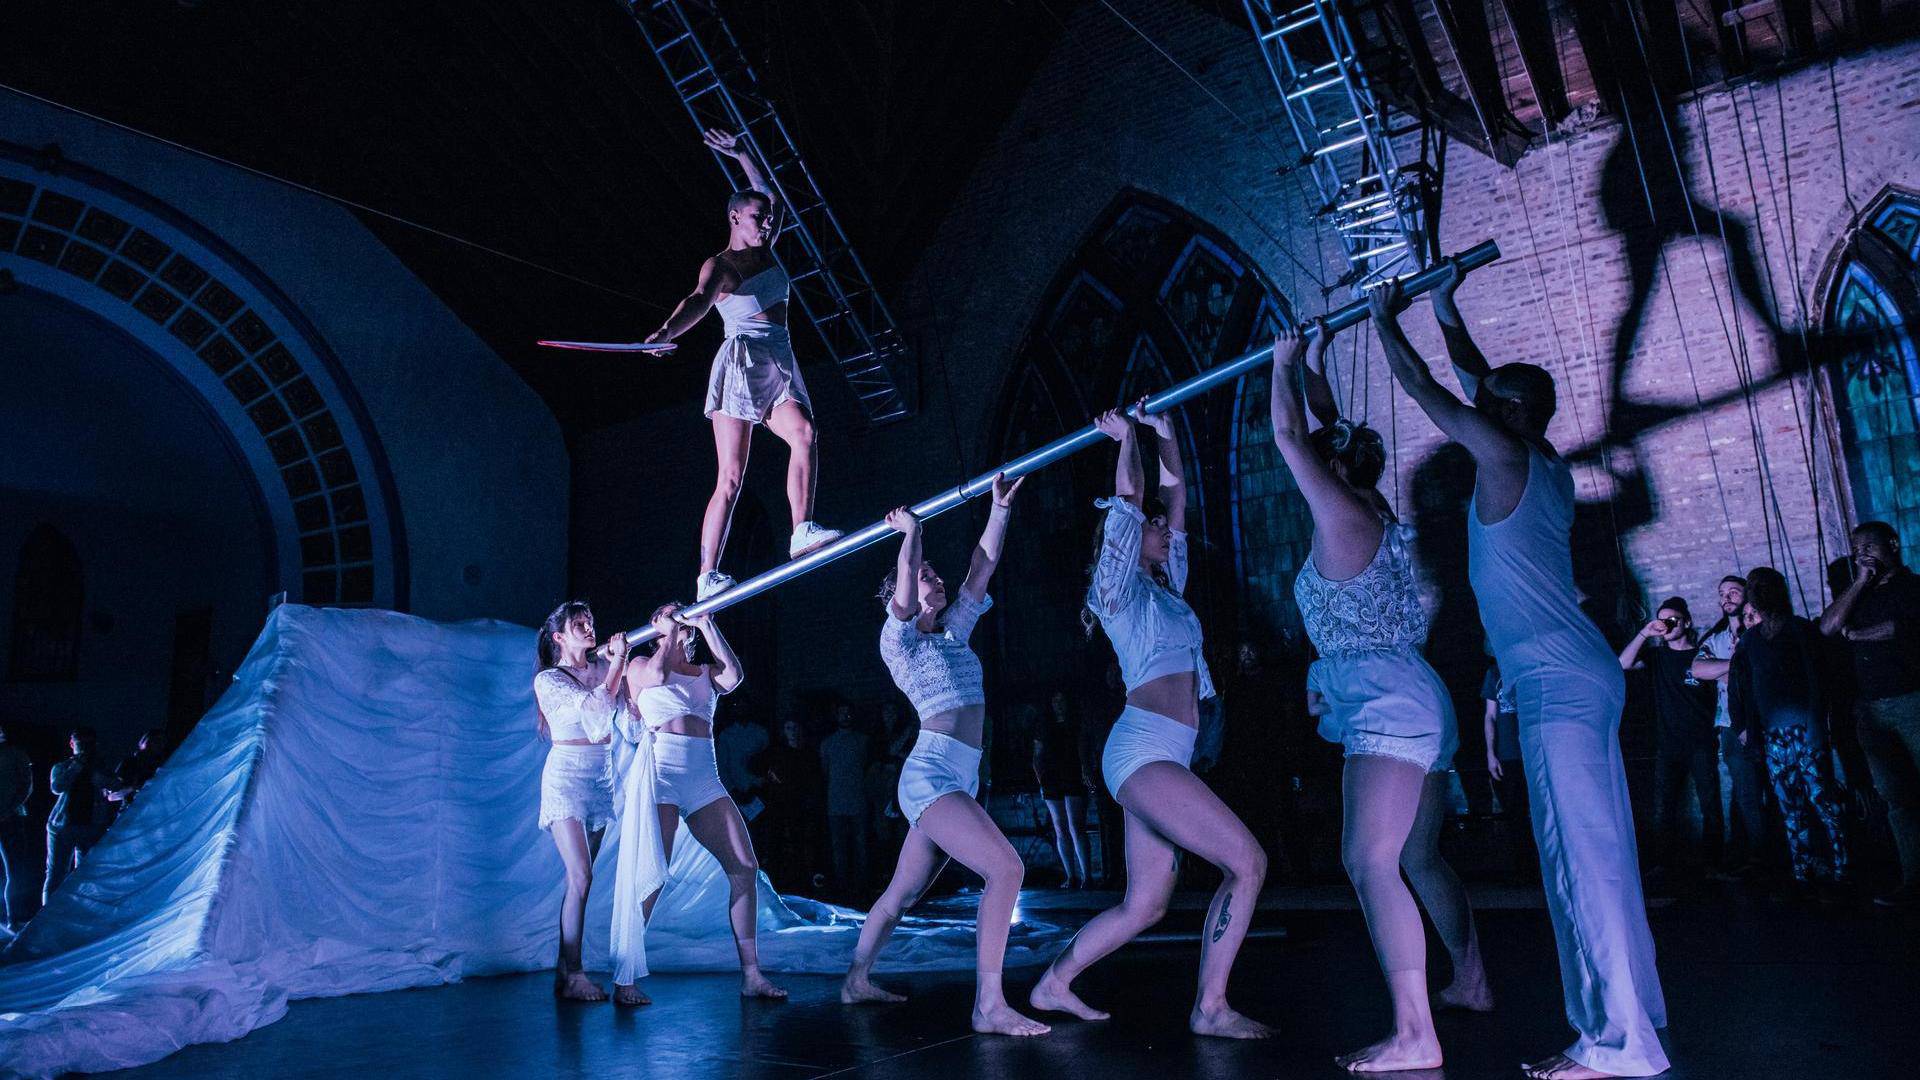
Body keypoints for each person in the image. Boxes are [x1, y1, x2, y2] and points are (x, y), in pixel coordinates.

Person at [1374, 264, 1667, 1079]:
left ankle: (1618, 1046)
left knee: (1579, 860)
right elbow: (1475, 378)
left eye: (1491, 400)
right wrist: (1444, 306)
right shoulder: (1540, 460)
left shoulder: (1505, 454)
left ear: (1508, 412)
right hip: (1578, 671)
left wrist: (1383, 318)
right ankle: (1631, 1022)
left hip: (1556, 680)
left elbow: (1428, 387)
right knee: (1599, 853)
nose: (1479, 402)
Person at [1273, 323, 1488, 1071]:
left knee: (1369, 861)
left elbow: (1291, 438)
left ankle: (1415, 1032)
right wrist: (1316, 364)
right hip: (1416, 692)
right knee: (1418, 856)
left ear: (1333, 469)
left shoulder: (1344, 515)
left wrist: (1281, 363)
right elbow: (1326, 432)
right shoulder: (1375, 514)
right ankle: (1471, 980)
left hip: (1385, 702)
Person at [1029, 404, 1271, 1040]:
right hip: (1142, 754)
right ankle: (1210, 1007)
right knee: (1246, 863)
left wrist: (1162, 432)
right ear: (1128, 537)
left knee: (1145, 905)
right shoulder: (1118, 590)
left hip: (1165, 753)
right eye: (1153, 527)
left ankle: (1053, 983)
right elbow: (1133, 498)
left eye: (1163, 528)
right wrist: (1125, 439)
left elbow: (1175, 494)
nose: (1164, 530)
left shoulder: (1169, 587)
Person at [839, 476, 1050, 1037]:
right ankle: (989, 1005)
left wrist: (999, 510)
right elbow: (906, 587)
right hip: (931, 775)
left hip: (959, 776)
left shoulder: (953, 633)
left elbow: (981, 568)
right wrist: (911, 535)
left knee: (901, 894)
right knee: (1006, 868)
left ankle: (856, 979)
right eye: (926, 573)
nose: (936, 578)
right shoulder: (898, 641)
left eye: (935, 573)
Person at [641, 128, 841, 599]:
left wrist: (743, 154)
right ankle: (707, 575)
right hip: (743, 361)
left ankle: (801, 531)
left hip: (779, 358)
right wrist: (667, 331)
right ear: (734, 217)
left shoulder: (766, 250)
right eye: (757, 218)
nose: (767, 224)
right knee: (731, 476)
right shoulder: (722, 266)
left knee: (804, 434)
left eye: (768, 220)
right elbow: (697, 301)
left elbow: (772, 195)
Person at [611, 605, 786, 1005]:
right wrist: (670, 632)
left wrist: (706, 622)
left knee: (745, 867)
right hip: (662, 775)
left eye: (683, 616)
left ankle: (751, 974)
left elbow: (733, 677)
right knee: (652, 874)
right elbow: (657, 676)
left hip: (703, 778)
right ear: (657, 626)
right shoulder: (639, 665)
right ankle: (625, 978)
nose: (679, 620)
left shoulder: (704, 671)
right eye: (670, 616)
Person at [1819, 522, 1920, 907]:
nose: (1861, 554)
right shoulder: (1858, 593)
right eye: (1856, 548)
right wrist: (1859, 582)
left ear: (1892, 544)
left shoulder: (1912, 587)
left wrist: (1858, 635)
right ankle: (1913, 881)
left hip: (1912, 700)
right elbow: (1828, 627)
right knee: (1897, 800)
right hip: (1872, 710)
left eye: (1868, 546)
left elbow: (1901, 628)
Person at [532, 601, 625, 1003]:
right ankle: (575, 974)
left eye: (590, 622)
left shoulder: (602, 668)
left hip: (599, 778)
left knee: (584, 884)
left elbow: (625, 709)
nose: (589, 628)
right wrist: (617, 664)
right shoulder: (550, 680)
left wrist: (618, 663)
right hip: (566, 778)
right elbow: (595, 708)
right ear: (559, 637)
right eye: (579, 625)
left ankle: (564, 970)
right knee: (580, 877)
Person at [1732, 569, 1848, 887]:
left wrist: (1816, 727)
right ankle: (1804, 869)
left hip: (1804, 730)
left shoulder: (1800, 630)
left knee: (1823, 801)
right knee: (1789, 806)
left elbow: (1817, 681)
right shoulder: (1750, 641)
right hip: (1774, 736)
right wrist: (1753, 735)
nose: (1759, 593)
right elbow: (1748, 691)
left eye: (1764, 587)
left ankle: (1842, 866)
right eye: (1754, 587)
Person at [1619, 598, 1723, 876]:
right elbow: (1623, 664)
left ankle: (1714, 864)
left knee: (1710, 804)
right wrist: (1645, 632)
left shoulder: (1703, 656)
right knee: (1664, 806)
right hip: (1668, 744)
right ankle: (1664, 864)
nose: (1667, 624)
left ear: (1687, 622)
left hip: (1701, 742)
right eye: (1662, 619)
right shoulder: (1656, 657)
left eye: (1672, 619)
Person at [1690, 576, 1767, 874]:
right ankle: (1759, 858)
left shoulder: (1762, 630)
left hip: (1767, 720)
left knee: (1774, 790)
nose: (1727, 597)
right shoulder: (1716, 639)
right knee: (1746, 791)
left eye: (1734, 591)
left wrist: (1724, 672)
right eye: (1722, 593)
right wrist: (1736, 667)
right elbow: (1699, 669)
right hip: (1730, 725)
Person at [43, 727, 112, 907]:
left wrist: (99, 776)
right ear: (72, 744)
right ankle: (46, 917)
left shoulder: (100, 766)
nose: (85, 748)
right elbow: (57, 787)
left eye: (89, 744)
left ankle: (77, 913)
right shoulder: (62, 766)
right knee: (56, 873)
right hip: (62, 827)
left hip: (91, 825)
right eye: (81, 744)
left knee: (85, 873)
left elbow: (115, 785)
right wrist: (77, 766)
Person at [1033, 690, 1093, 889]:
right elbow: (1037, 755)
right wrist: (1041, 780)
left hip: (1073, 774)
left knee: (1076, 826)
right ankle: (1071, 876)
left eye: (1062, 700)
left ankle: (1087, 876)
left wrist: (1086, 771)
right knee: (1060, 827)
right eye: (1055, 701)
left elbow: (1084, 748)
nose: (1058, 705)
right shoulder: (1045, 726)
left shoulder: (1076, 724)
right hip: (1052, 777)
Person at [1482, 660, 1535, 879]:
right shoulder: (1495, 672)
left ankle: (1540, 868)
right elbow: (1490, 715)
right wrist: (1490, 753)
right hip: (1509, 753)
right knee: (1515, 812)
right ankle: (1524, 869)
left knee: (1538, 810)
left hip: (1534, 749)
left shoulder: (1528, 663)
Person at [758, 717, 823, 891]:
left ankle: (799, 883)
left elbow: (814, 779)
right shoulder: (777, 751)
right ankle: (775, 884)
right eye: (788, 728)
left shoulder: (808, 753)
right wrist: (769, 774)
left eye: (795, 727)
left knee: (798, 843)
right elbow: (755, 764)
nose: (792, 731)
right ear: (783, 731)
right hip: (778, 805)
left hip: (799, 806)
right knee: (775, 843)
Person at [819, 702, 871, 896]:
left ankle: (862, 887)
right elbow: (825, 771)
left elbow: (867, 767)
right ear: (836, 715)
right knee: (839, 846)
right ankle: (842, 887)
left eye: (848, 713)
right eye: (842, 713)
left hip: (858, 800)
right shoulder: (828, 743)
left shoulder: (863, 741)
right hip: (836, 801)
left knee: (861, 846)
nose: (845, 716)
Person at [0, 725, 33, 931]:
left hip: (10, 819)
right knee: (14, 870)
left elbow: (26, 786)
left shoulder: (15, 755)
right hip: (9, 816)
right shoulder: (15, 755)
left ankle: (14, 918)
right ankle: (13, 918)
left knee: (15, 869)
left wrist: (9, 810)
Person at [104, 729, 168, 810]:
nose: (158, 744)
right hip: (131, 809)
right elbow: (112, 794)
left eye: (161, 741)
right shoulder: (130, 762)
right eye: (155, 740)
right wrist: (132, 789)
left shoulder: (161, 766)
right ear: (144, 742)